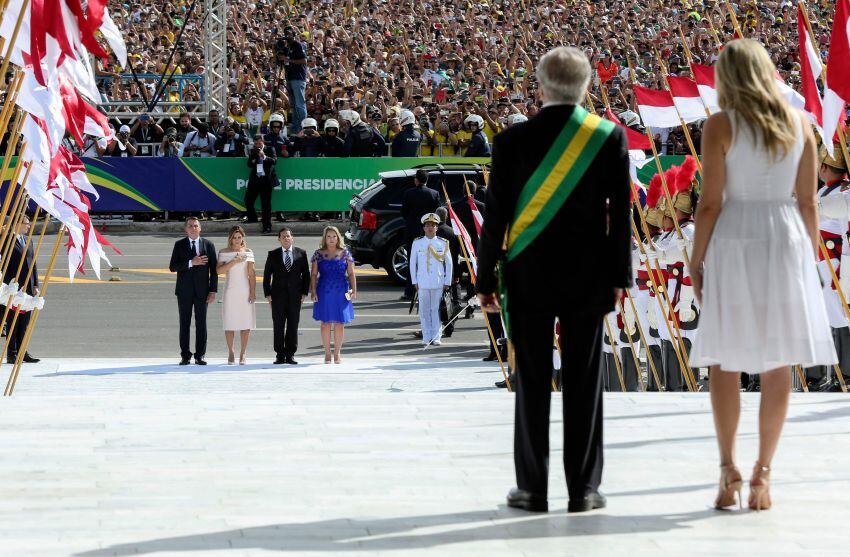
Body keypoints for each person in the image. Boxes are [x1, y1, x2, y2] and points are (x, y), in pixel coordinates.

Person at [476, 47, 631, 514]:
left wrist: (485, 278)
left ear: (540, 88)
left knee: (532, 380)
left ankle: (532, 489)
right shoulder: (607, 137)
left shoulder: (510, 141)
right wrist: (620, 276)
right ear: (586, 88)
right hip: (589, 274)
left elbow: (495, 218)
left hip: (529, 272)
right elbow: (619, 217)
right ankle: (584, 489)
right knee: (585, 381)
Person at [687, 40, 837, 512]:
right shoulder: (799, 123)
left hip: (735, 235)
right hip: (786, 234)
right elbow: (810, 201)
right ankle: (762, 474)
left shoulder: (720, 125)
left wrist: (697, 258)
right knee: (779, 361)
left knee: (724, 359)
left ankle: (728, 467)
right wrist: (808, 256)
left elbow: (709, 202)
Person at [168, 217, 218, 365]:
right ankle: (185, 355)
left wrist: (213, 291)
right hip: (184, 291)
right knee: (184, 323)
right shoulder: (179, 245)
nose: (193, 228)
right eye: (190, 226)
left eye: (196, 226)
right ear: (186, 229)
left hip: (203, 292)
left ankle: (200, 355)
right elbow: (173, 267)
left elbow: (214, 271)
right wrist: (191, 262)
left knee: (201, 323)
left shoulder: (208, 245)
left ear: (200, 228)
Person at [263, 227, 310, 365]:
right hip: (277, 296)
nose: (286, 238)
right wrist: (268, 294)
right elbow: (266, 276)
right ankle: (279, 354)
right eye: (283, 236)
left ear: (292, 237)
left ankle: (290, 354)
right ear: (279, 239)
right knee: (278, 325)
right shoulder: (273, 254)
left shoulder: (301, 253)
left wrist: (304, 293)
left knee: (293, 325)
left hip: (295, 296)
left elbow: (306, 275)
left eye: (288, 236)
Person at [310, 226, 356, 364]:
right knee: (325, 323)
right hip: (324, 291)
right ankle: (327, 353)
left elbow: (352, 273)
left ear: (338, 238)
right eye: (329, 236)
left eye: (334, 236)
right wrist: (313, 291)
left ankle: (337, 353)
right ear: (325, 238)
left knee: (339, 323)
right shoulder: (318, 253)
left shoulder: (345, 253)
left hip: (341, 291)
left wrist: (354, 290)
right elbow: (313, 274)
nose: (331, 239)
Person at [410, 213, 453, 346]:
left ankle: (436, 336)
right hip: (422, 281)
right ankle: (426, 336)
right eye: (428, 225)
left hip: (438, 281)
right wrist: (414, 281)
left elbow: (449, 263)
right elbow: (412, 263)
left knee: (436, 309)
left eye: (433, 225)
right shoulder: (417, 243)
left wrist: (447, 281)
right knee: (424, 310)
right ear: (424, 228)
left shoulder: (442, 243)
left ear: (437, 228)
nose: (430, 228)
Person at [216, 226, 256, 365]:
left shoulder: (249, 252)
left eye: (239, 237)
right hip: (230, 291)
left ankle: (243, 353)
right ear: (230, 238)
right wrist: (234, 261)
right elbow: (218, 271)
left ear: (243, 238)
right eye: (234, 237)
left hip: (244, 290)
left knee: (245, 323)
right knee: (230, 323)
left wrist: (253, 292)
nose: (237, 240)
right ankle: (231, 352)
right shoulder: (223, 252)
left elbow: (251, 274)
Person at [3, 215, 39, 364]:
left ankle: (23, 352)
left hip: (28, 287)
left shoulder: (28, 240)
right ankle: (12, 354)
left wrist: (36, 284)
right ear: (17, 224)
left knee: (24, 322)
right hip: (13, 287)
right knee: (13, 321)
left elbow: (33, 263)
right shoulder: (6, 240)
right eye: (26, 224)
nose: (28, 226)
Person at [400, 169, 439, 300]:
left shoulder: (408, 193)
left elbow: (404, 212)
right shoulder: (434, 194)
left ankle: (410, 292)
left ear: (416, 179)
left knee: (413, 261)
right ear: (426, 180)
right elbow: (437, 214)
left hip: (412, 232)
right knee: (430, 261)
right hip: (428, 233)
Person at [245, 134, 277, 234]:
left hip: (266, 181)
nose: (257, 145)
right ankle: (253, 218)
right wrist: (254, 160)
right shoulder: (253, 151)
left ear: (263, 142)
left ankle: (267, 226)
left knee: (265, 205)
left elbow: (275, 161)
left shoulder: (270, 149)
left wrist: (265, 157)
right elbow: (249, 164)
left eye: (259, 143)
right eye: (255, 143)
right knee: (248, 200)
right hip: (255, 180)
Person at [281, 26, 308, 133]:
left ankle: (303, 127)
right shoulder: (287, 47)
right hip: (290, 77)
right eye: (285, 33)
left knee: (300, 104)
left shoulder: (297, 44)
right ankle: (296, 127)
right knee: (293, 105)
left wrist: (288, 59)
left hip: (298, 78)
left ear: (293, 34)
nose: (287, 35)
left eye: (289, 33)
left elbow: (304, 60)